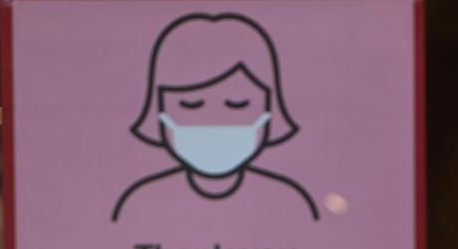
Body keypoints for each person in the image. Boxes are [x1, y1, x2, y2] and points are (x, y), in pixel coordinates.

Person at [111, 12, 318, 222]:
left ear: (270, 108)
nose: (214, 121)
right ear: (159, 109)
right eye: (190, 104)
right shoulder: (140, 202)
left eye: (237, 104)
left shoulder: (288, 201)